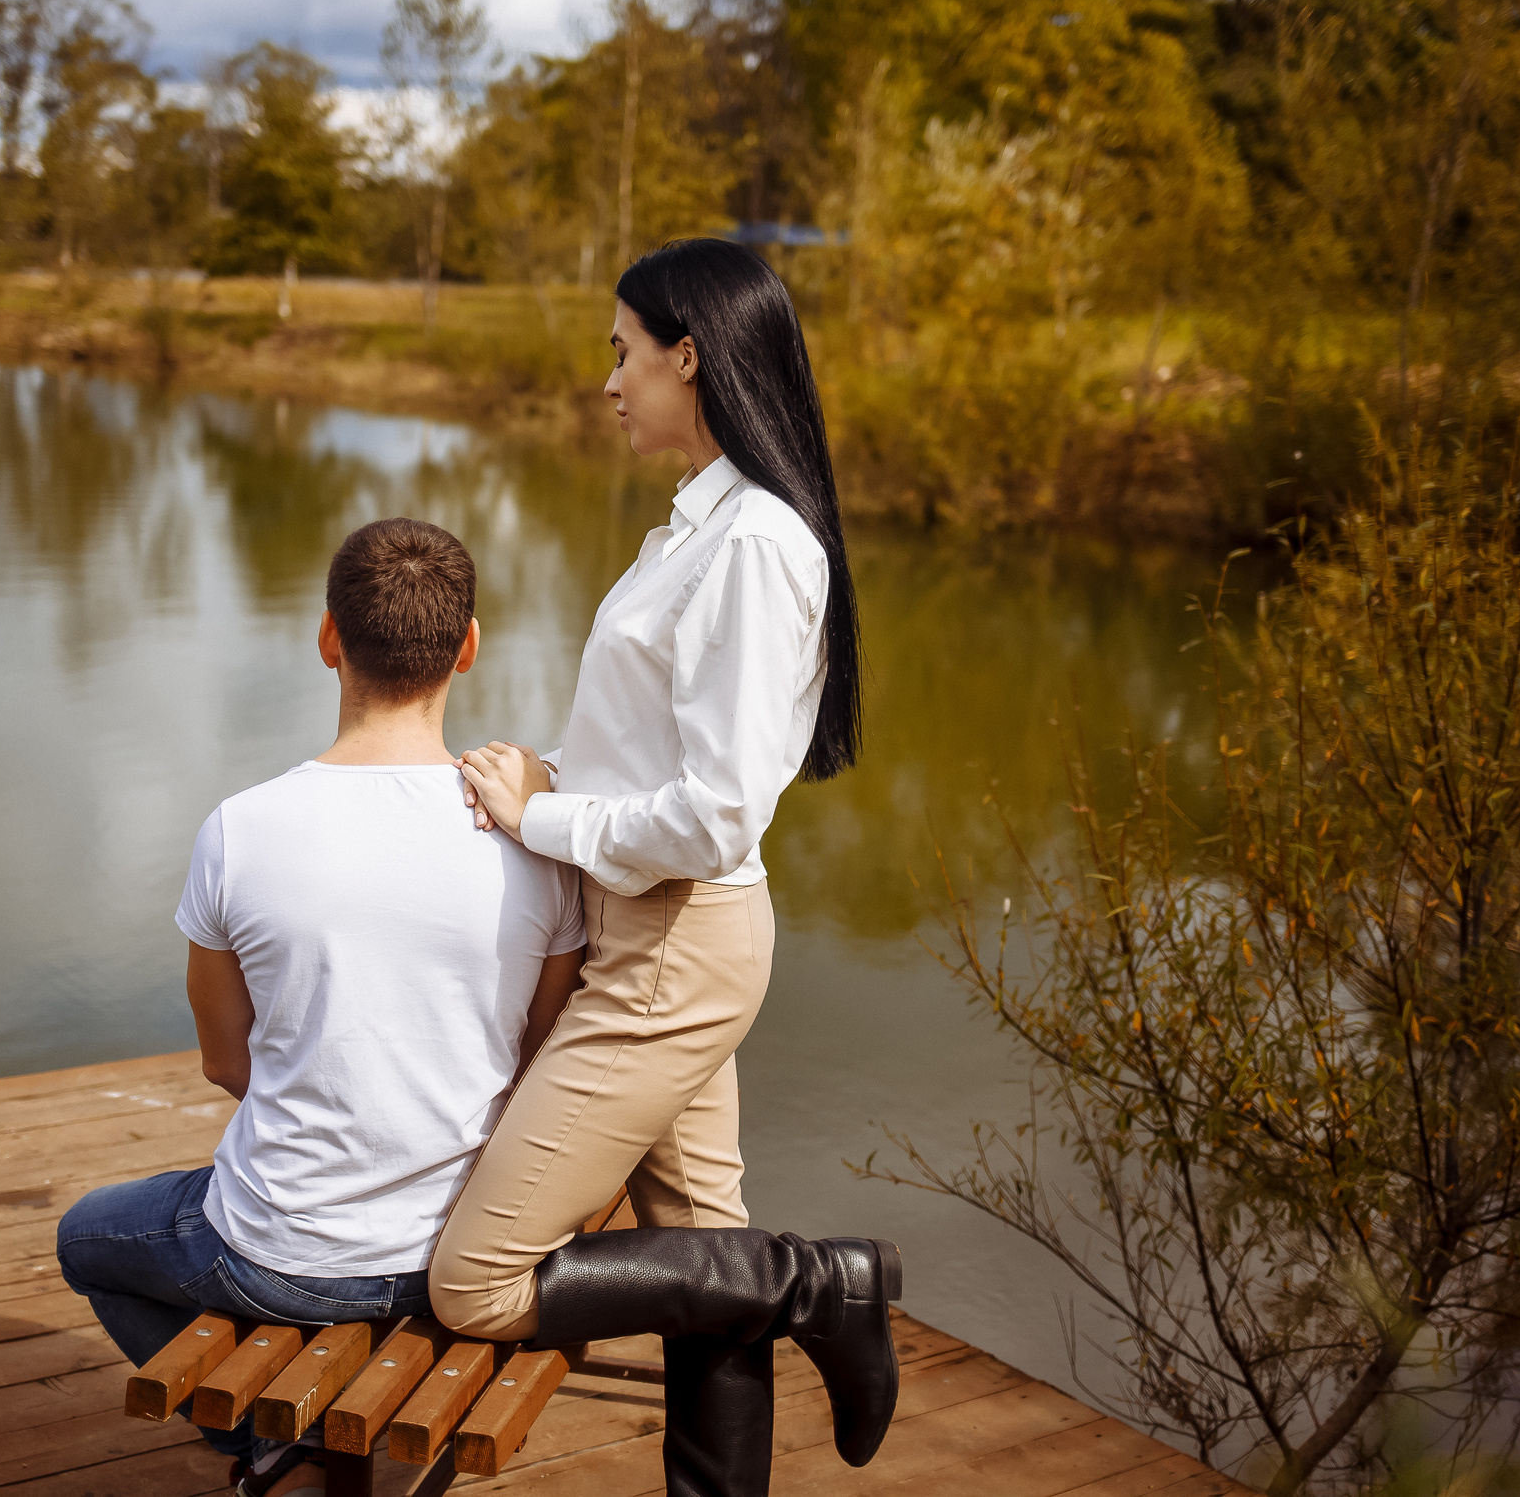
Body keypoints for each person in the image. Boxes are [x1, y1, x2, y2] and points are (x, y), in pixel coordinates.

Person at [448, 238, 901, 1497]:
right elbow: (644, 755)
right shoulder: (692, 531)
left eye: (621, 351)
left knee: (475, 1281)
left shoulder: (753, 544)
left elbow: (710, 817)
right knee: (701, 1257)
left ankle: (827, 1282)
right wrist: (540, 778)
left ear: (687, 355)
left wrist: (540, 824)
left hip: (673, 948)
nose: (607, 381)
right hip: (649, 935)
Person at [57, 517, 587, 1497]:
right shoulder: (537, 843)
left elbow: (226, 1061)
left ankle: (263, 1438)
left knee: (86, 1240)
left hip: (285, 1257)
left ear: (327, 639)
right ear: (467, 647)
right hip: (469, 1246)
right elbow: (542, 1057)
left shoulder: (241, 831)